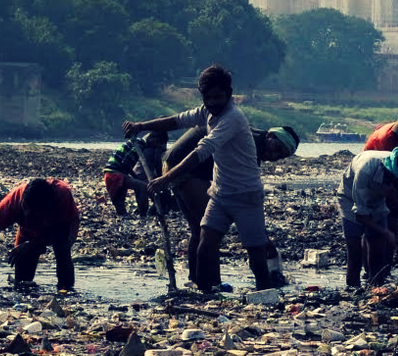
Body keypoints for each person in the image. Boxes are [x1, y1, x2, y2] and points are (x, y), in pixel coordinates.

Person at [122, 64, 273, 293]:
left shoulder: (232, 118)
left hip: (246, 195)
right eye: (208, 98)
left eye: (218, 97)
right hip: (220, 194)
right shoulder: (206, 111)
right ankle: (205, 293)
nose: (213, 103)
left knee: (255, 251)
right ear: (203, 97)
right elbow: (176, 121)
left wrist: (165, 179)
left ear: (229, 95)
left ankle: (266, 293)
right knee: (205, 244)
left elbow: (201, 152)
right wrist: (141, 126)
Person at [163, 123, 299, 287]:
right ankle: (211, 283)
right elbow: (244, 193)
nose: (274, 154)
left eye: (280, 155)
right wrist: (260, 235)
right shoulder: (250, 144)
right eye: (276, 147)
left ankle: (198, 280)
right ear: (270, 136)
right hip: (187, 167)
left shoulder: (253, 138)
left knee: (198, 229)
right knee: (208, 231)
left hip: (174, 162)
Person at [338, 147, 398, 288]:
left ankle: (376, 287)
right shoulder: (366, 169)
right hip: (350, 197)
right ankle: (352, 289)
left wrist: (393, 233)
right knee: (354, 251)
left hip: (379, 201)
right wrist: (385, 231)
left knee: (377, 249)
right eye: (395, 181)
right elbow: (360, 216)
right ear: (390, 172)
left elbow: (396, 209)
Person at [103, 130, 168, 217]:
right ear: (152, 138)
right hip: (115, 173)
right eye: (157, 143)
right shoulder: (139, 144)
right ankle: (143, 215)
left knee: (120, 201)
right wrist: (135, 177)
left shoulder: (140, 143)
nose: (156, 145)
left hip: (112, 172)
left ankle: (124, 215)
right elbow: (125, 163)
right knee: (143, 187)